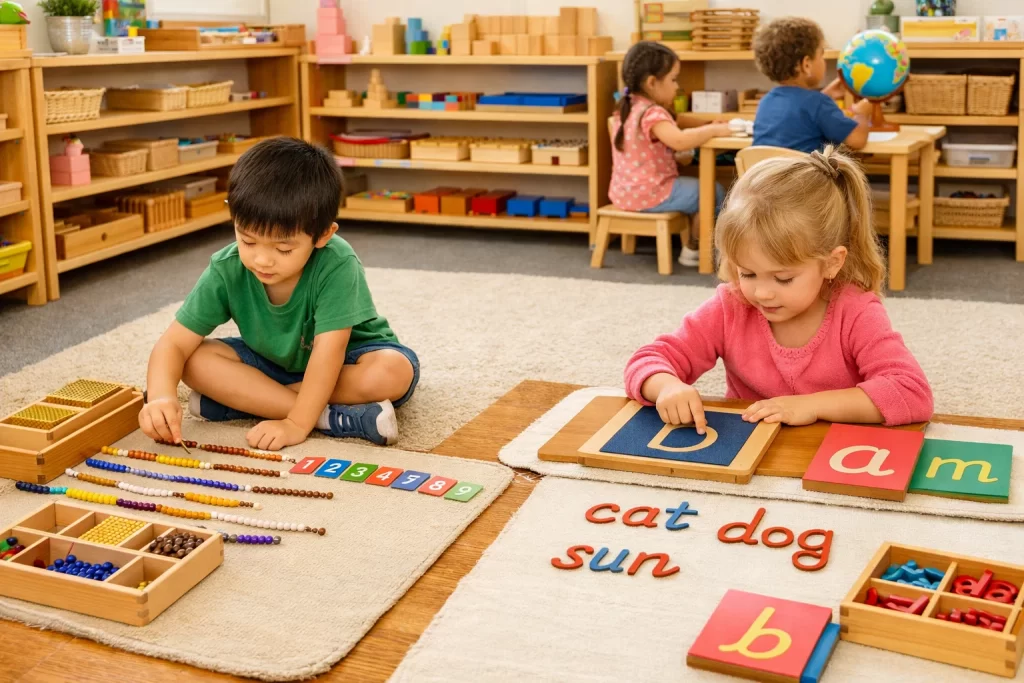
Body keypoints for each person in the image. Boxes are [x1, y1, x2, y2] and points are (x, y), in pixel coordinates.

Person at [624, 146, 933, 431]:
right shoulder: (731, 305)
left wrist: (811, 406)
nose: (762, 293)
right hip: (749, 447)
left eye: (783, 278)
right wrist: (666, 386)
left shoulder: (856, 311)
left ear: (832, 263)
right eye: (747, 273)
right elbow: (648, 360)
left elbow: (911, 392)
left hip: (831, 453)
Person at [138, 137, 419, 450]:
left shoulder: (338, 262)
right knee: (192, 361)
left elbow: (329, 354)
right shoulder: (227, 267)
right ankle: (329, 418)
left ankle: (250, 401)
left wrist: (296, 424)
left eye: (283, 249)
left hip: (347, 360)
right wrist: (160, 396)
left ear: (323, 235)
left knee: (393, 372)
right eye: (248, 241)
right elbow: (174, 343)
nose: (262, 260)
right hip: (272, 363)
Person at [610, 40, 733, 267]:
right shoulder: (652, 113)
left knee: (698, 188)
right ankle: (693, 250)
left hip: (623, 192)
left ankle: (695, 244)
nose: (677, 87)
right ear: (652, 82)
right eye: (674, 79)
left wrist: (706, 123)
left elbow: (678, 121)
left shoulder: (627, 107)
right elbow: (679, 140)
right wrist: (714, 130)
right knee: (713, 191)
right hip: (652, 193)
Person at [751, 17, 873, 153]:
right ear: (806, 64)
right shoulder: (818, 103)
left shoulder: (766, 101)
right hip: (803, 168)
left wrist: (825, 95)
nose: (823, 61)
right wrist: (862, 114)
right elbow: (857, 140)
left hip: (768, 167)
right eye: (821, 55)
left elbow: (802, 113)